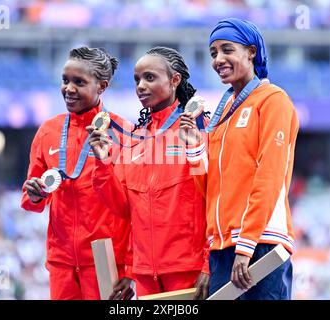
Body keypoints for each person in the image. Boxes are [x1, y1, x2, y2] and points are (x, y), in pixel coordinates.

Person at [179, 18, 299, 300]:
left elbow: (269, 175)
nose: (218, 59)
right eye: (213, 53)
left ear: (252, 52)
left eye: (227, 50)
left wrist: (245, 246)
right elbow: (209, 192)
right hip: (223, 247)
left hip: (261, 244)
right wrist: (196, 149)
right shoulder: (222, 112)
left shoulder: (273, 100)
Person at [87, 47, 210, 299]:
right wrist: (102, 164)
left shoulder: (200, 129)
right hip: (145, 275)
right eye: (137, 79)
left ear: (175, 80)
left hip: (188, 270)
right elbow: (124, 210)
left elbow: (215, 198)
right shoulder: (134, 141)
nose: (140, 86)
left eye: (150, 77)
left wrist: (209, 264)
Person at [21, 46, 134, 300]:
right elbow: (31, 200)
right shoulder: (48, 130)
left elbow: (133, 209)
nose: (69, 89)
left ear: (102, 86)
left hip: (105, 260)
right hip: (61, 260)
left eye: (79, 82)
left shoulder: (124, 133)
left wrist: (129, 267)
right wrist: (36, 193)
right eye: (65, 80)